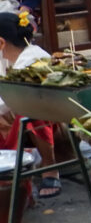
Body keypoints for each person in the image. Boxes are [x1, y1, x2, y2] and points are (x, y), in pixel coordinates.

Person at [0, 11, 60, 198]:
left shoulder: (34, 59)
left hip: (54, 119)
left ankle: (50, 168)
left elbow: (9, 101)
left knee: (29, 110)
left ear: (1, 42)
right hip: (13, 112)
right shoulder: (4, 58)